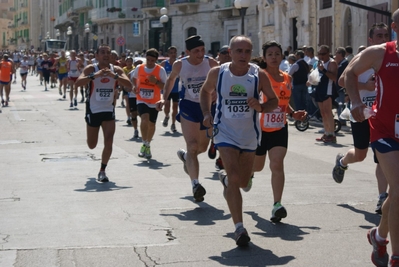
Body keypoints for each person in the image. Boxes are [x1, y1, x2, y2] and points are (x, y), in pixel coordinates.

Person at [200, 36, 278, 246]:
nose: (243, 55)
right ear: (230, 53)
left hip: (250, 135)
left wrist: (261, 106)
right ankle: (239, 228)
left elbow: (273, 101)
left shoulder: (258, 75)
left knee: (242, 182)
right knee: (235, 177)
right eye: (239, 51)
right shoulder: (218, 73)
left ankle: (226, 180)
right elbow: (205, 92)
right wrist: (207, 113)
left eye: (247, 51)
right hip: (224, 132)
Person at [344, 10, 399, 266]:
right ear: (395, 27)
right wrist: (355, 101)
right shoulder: (380, 53)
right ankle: (396, 257)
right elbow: (349, 74)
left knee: (397, 194)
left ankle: (379, 235)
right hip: (384, 130)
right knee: (398, 190)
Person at [333, 22, 389, 215]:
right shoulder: (363, 57)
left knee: (382, 158)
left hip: (382, 116)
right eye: (379, 36)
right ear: (371, 39)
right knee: (360, 154)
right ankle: (342, 162)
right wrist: (365, 86)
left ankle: (382, 197)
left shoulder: (390, 57)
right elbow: (342, 80)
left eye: (385, 35)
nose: (383, 39)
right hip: (361, 113)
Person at [156, 35, 219, 202]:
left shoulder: (211, 63)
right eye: (196, 51)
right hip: (189, 105)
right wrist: (164, 98)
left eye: (203, 50)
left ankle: (186, 158)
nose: (201, 54)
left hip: (208, 108)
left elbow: (222, 81)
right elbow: (170, 82)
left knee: (202, 148)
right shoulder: (180, 64)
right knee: (192, 146)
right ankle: (195, 184)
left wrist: (217, 94)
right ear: (188, 52)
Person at [250, 41, 307, 224]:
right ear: (265, 58)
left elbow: (283, 102)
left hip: (280, 127)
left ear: (282, 56)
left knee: (277, 163)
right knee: (257, 167)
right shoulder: (260, 77)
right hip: (260, 129)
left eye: (277, 53)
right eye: (270, 54)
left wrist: (292, 113)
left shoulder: (287, 78)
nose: (274, 57)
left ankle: (277, 205)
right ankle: (247, 174)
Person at [75, 44, 132, 182]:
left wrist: (116, 76)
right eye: (102, 52)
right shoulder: (91, 68)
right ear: (97, 56)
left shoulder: (116, 69)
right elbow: (78, 83)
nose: (106, 55)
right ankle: (91, 133)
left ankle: (102, 170)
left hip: (108, 110)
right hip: (93, 110)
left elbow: (129, 85)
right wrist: (94, 76)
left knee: (109, 141)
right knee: (92, 145)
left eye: (108, 52)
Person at [132, 48, 167, 159]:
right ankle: (144, 143)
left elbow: (165, 87)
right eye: (148, 59)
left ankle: (147, 144)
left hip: (154, 100)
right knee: (144, 119)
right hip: (141, 99)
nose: (150, 62)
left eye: (152, 60)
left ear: (156, 60)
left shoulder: (160, 70)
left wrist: (156, 81)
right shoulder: (139, 68)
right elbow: (133, 78)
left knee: (152, 124)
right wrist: (134, 86)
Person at [314, 45, 338, 143]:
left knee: (328, 112)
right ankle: (326, 132)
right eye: (319, 54)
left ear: (328, 53)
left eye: (323, 54)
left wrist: (323, 69)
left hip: (328, 88)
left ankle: (332, 134)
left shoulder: (332, 63)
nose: (321, 56)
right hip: (319, 88)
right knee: (323, 113)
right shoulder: (320, 62)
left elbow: (333, 77)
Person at [160, 46, 180, 133]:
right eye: (171, 53)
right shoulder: (164, 64)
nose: (173, 54)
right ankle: (167, 116)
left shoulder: (179, 64)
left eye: (174, 52)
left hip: (176, 89)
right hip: (167, 88)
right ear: (168, 54)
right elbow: (160, 75)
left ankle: (173, 124)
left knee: (175, 107)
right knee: (167, 106)